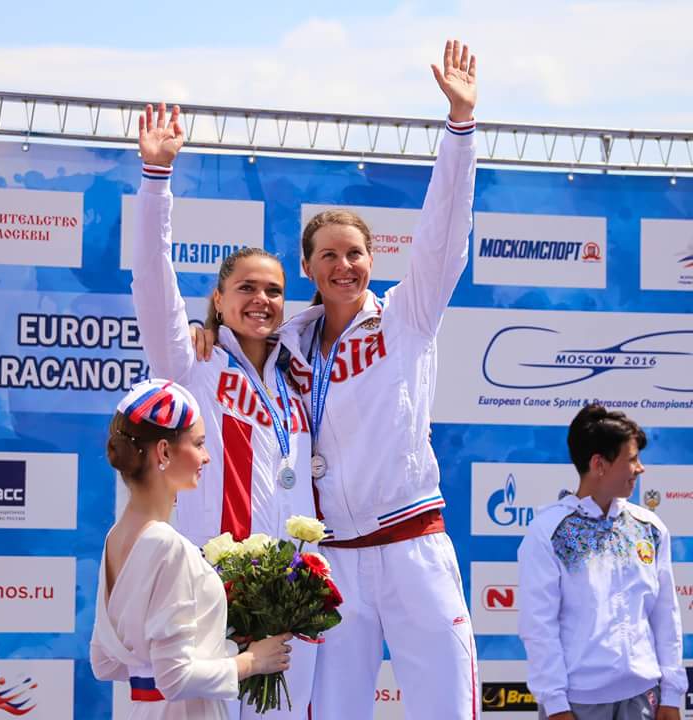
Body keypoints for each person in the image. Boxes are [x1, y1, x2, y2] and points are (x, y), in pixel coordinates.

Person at [271, 38, 479, 720]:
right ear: (307, 266)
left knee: (447, 708)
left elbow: (444, 234)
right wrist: (208, 328)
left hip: (412, 543)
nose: (345, 266)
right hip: (333, 561)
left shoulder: (406, 317)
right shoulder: (285, 345)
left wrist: (459, 129)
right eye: (329, 255)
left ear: (372, 259)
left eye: (356, 253)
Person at [130, 104, 317, 719]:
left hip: (289, 592)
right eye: (246, 288)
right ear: (217, 297)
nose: (261, 300)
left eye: (274, 290)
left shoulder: (297, 377)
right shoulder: (192, 363)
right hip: (210, 587)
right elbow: (152, 282)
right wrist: (156, 181)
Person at [90, 378, 292, 719]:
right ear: (164, 452)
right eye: (198, 443)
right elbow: (175, 678)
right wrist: (252, 661)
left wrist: (220, 647)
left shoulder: (116, 537)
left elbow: (105, 662)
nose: (207, 457)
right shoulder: (167, 545)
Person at [518, 404, 687, 720]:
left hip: (644, 698)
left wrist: (672, 694)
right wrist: (555, 704)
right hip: (578, 703)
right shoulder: (549, 531)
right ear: (599, 464)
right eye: (632, 459)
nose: (640, 468)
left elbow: (666, 616)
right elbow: (539, 625)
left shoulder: (649, 528)